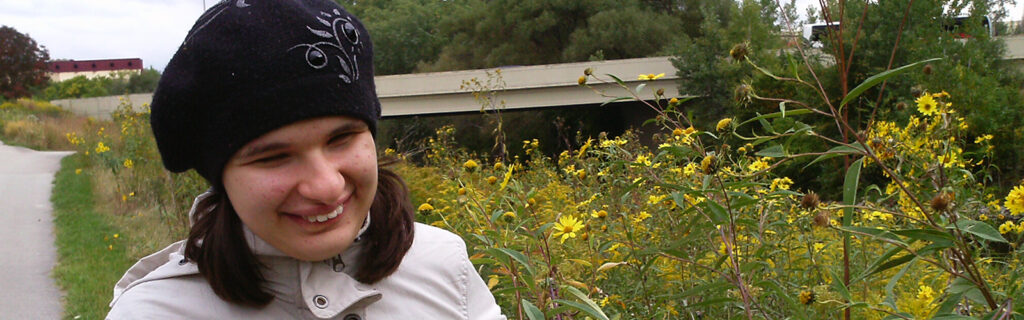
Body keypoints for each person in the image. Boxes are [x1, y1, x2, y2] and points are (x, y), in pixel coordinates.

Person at [106, 0, 506, 319]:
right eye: (275, 157)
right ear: (220, 176)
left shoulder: (444, 265)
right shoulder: (153, 311)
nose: (328, 186)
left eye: (342, 138)